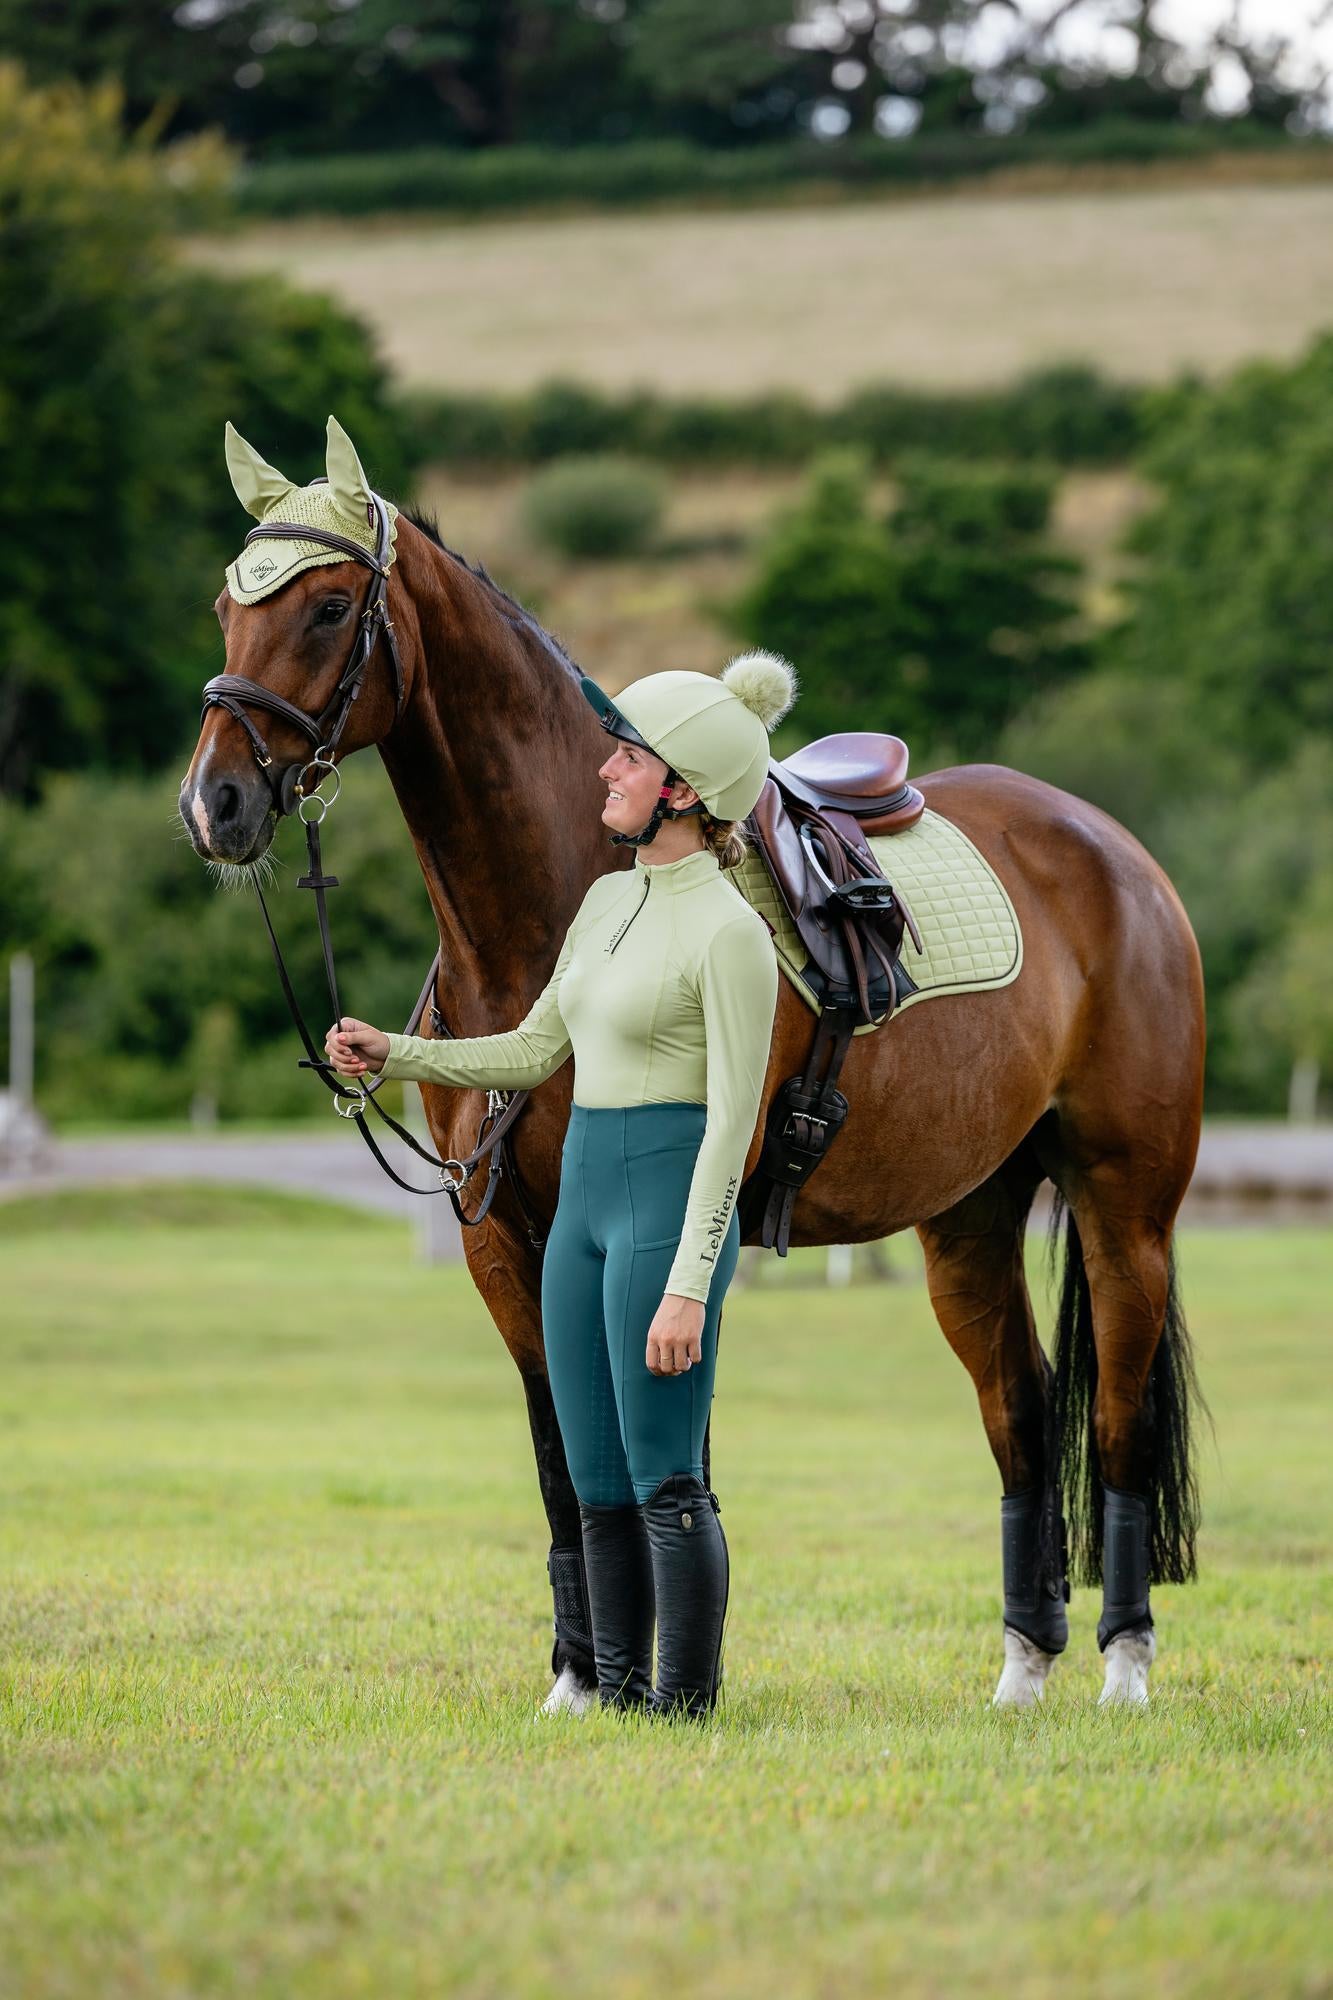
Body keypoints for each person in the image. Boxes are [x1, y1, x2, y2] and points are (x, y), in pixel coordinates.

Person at [324, 651, 797, 1718]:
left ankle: (683, 1705)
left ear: (680, 788)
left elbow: (734, 1124)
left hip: (666, 1207)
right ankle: (620, 1697)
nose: (604, 773)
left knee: (664, 1475)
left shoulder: (731, 934)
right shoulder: (601, 904)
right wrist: (395, 1052)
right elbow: (531, 1050)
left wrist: (688, 1280)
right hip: (584, 1201)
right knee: (592, 1474)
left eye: (626, 757)